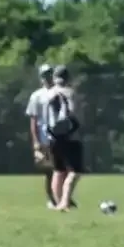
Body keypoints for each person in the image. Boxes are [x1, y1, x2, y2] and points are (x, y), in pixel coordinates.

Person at [46, 65, 83, 211]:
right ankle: (65, 201)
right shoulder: (70, 93)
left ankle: (57, 202)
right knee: (75, 171)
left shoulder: (48, 94)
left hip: (53, 137)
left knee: (58, 170)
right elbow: (74, 113)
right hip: (70, 137)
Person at [26, 64, 59, 209]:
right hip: (45, 138)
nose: (48, 77)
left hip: (60, 136)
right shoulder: (36, 95)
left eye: (50, 74)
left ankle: (63, 198)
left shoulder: (59, 92)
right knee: (50, 171)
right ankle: (52, 199)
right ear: (41, 77)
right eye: (45, 74)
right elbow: (33, 120)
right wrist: (36, 141)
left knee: (63, 169)